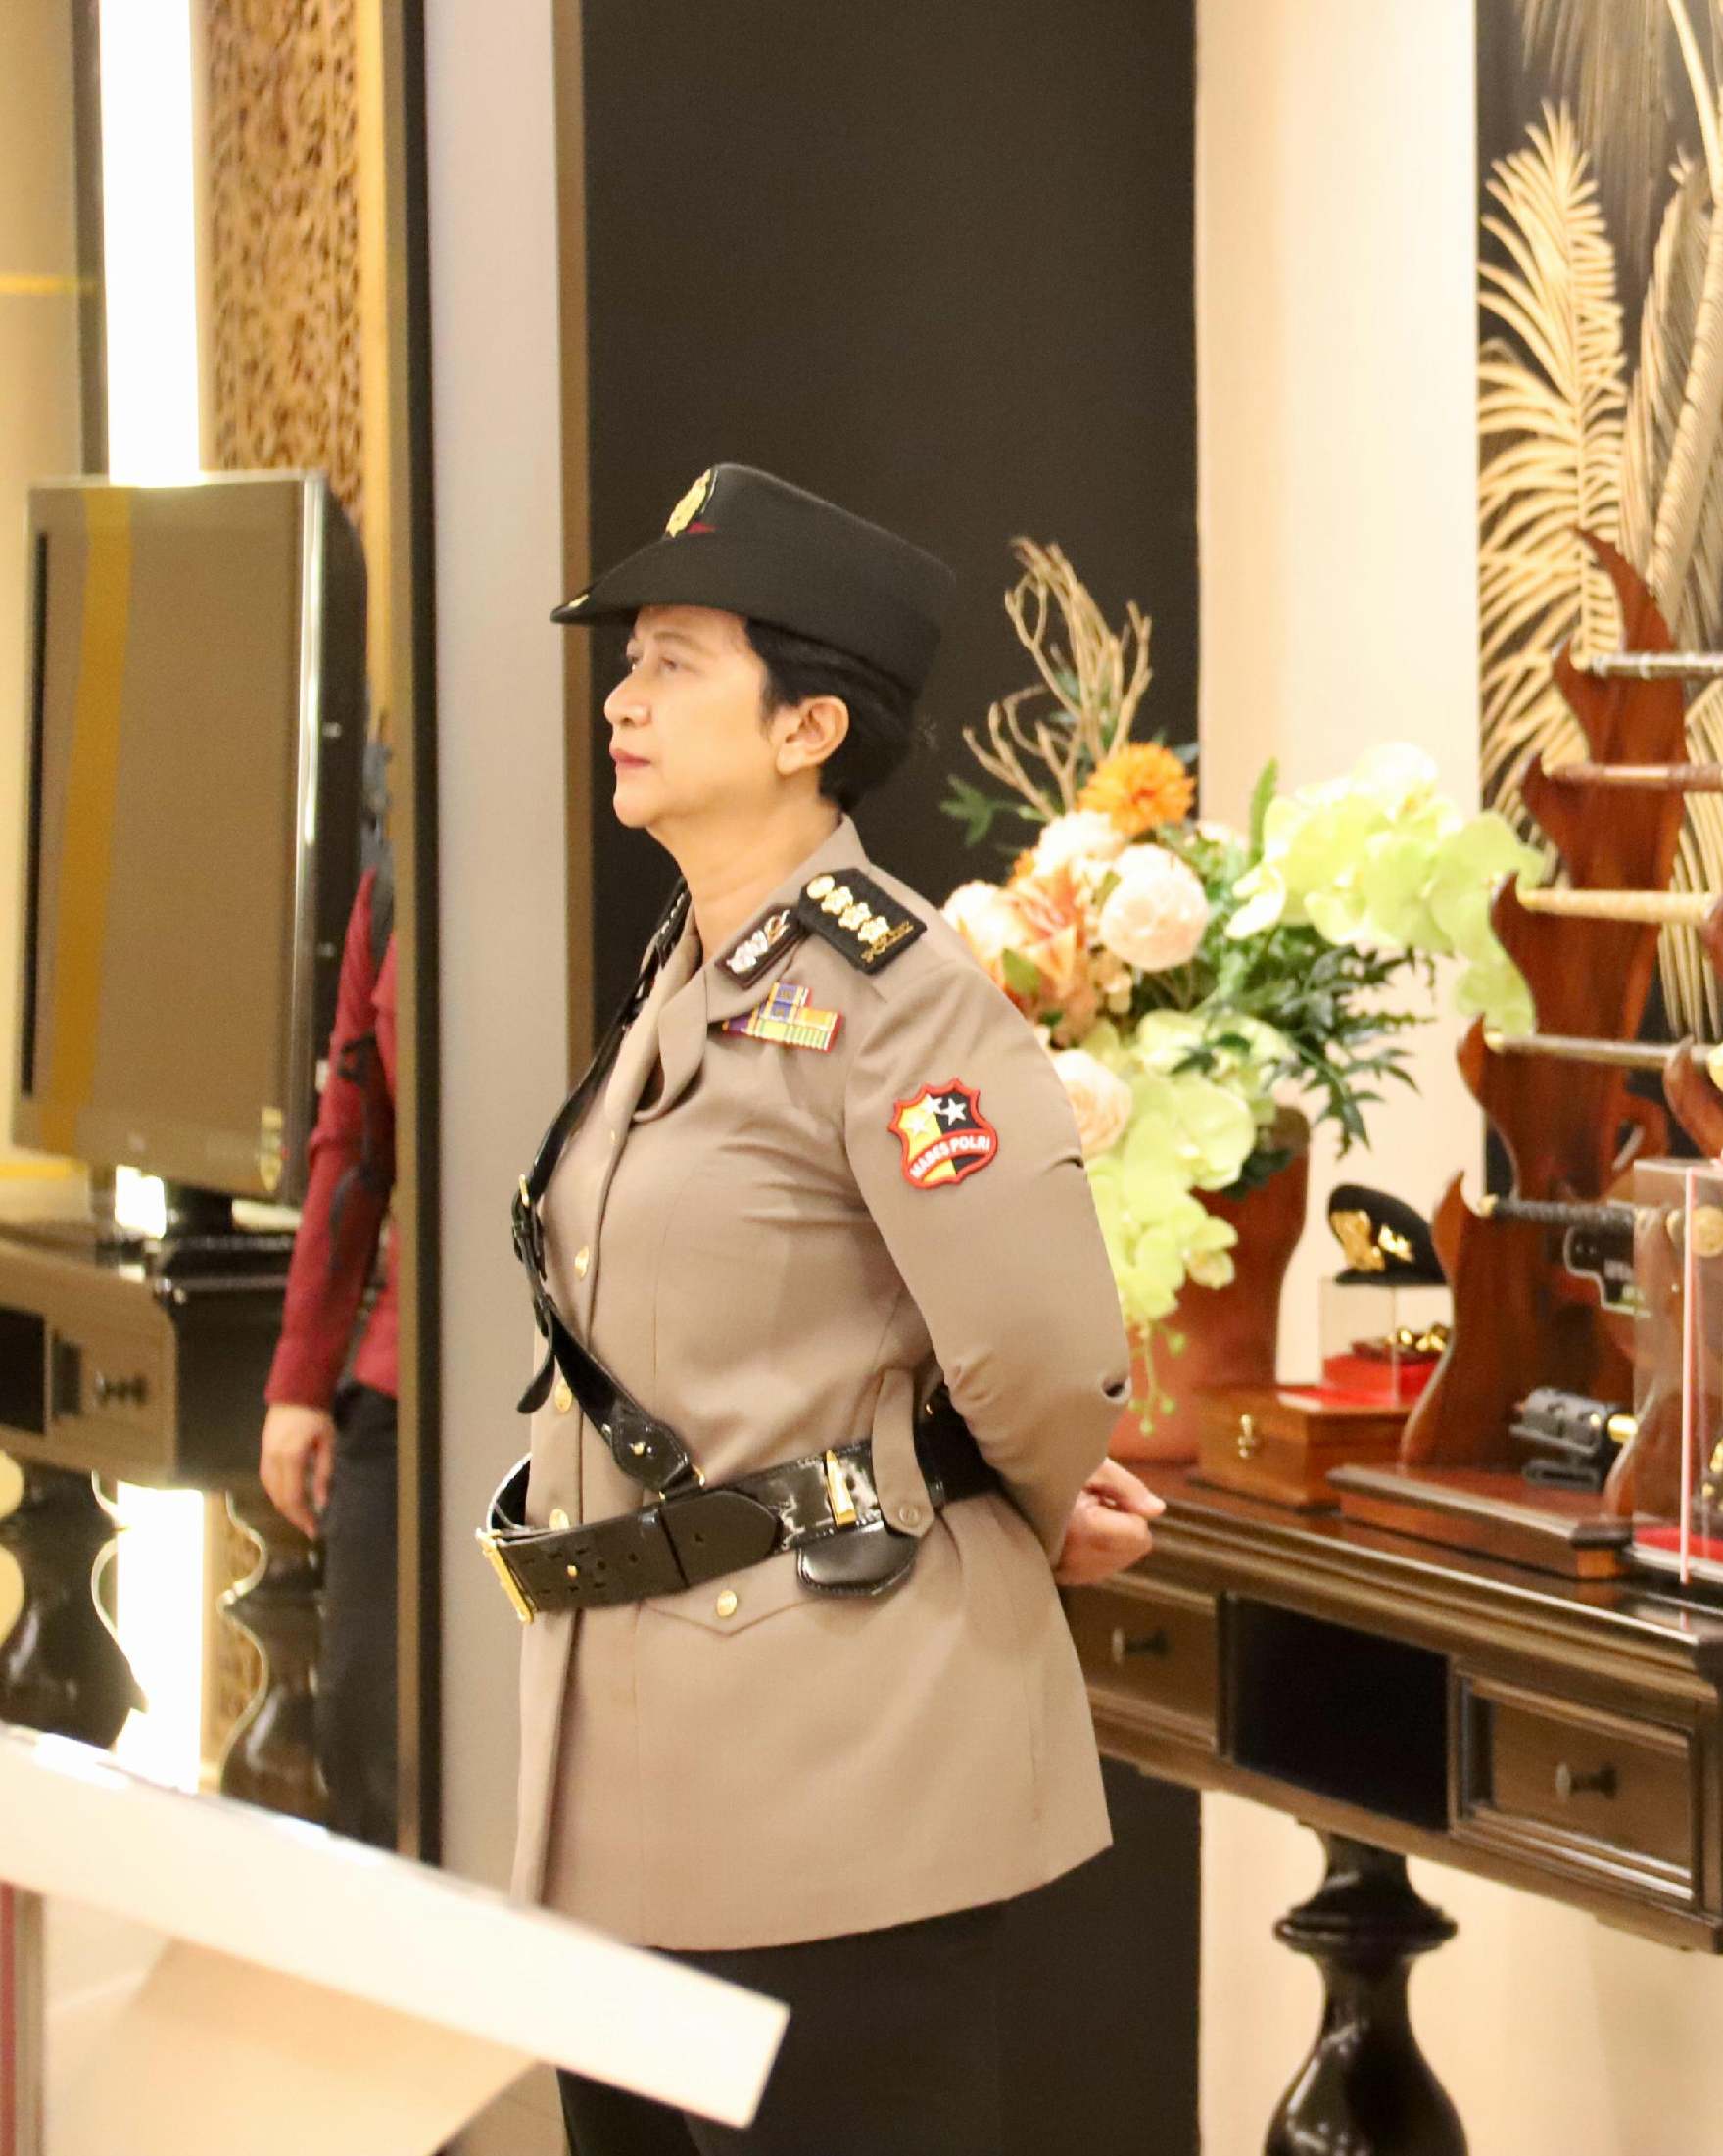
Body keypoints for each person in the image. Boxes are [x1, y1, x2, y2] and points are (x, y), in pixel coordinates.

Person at [486, 463, 1162, 2154]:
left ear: (808, 728)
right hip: (622, 1763)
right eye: (625, 663)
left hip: (834, 1770)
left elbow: (1044, 1360)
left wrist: (1008, 1501)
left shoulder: (900, 997)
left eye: (674, 661)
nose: (622, 700)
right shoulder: (690, 975)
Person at [256, 788, 401, 1848]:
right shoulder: (390, 886)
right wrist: (301, 1382)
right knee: (367, 1732)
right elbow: (350, 1139)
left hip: (590, 1386)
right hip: (402, 1378)